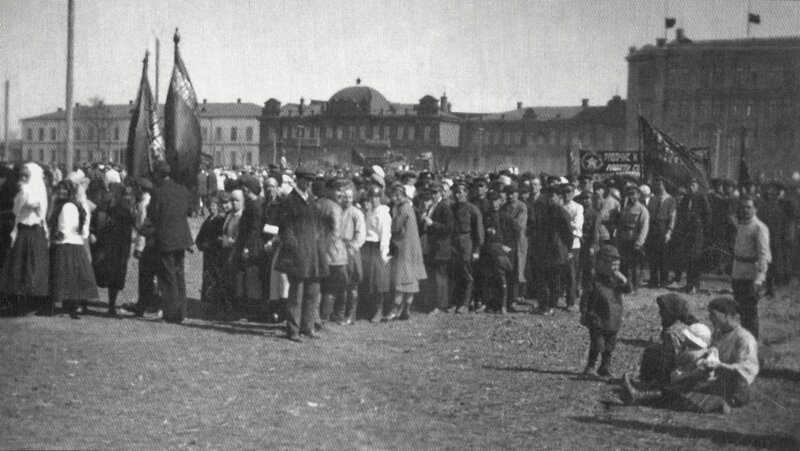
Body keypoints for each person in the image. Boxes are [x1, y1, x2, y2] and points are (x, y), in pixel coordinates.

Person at [624, 297, 759, 414]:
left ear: (726, 316)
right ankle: (644, 389)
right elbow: (713, 350)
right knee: (682, 380)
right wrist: (704, 354)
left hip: (733, 387)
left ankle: (641, 396)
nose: (710, 319)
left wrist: (720, 366)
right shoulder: (719, 333)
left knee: (687, 396)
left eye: (713, 315)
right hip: (715, 378)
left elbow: (747, 370)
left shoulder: (744, 339)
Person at [275, 168, 329, 341]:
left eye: (311, 180)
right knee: (296, 295)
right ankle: (293, 329)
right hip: (297, 254)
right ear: (297, 180)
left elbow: (319, 225)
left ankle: (308, 326)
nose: (309, 183)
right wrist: (295, 248)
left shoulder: (311, 200)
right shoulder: (289, 201)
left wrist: (319, 243)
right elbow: (286, 229)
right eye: (306, 180)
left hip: (313, 254)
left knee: (312, 292)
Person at [145, 160, 194, 323]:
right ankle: (182, 311)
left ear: (159, 175)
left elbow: (152, 216)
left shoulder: (158, 193)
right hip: (182, 238)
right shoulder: (182, 190)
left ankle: (171, 313)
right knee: (180, 273)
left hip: (165, 239)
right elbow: (189, 210)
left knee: (168, 276)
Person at [1, 162, 50, 316]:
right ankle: (17, 302)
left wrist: (26, 200)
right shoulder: (21, 190)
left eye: (26, 175)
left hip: (33, 232)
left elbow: (37, 207)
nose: (22, 178)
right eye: (21, 175)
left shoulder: (36, 189)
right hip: (22, 230)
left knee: (31, 267)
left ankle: (30, 302)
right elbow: (18, 209)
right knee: (18, 267)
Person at [580, 244, 632, 379]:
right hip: (597, 317)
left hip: (613, 318)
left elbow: (628, 290)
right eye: (612, 265)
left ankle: (605, 366)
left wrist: (624, 280)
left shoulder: (616, 279)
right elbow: (586, 297)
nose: (616, 268)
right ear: (601, 264)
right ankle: (590, 366)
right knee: (598, 343)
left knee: (609, 345)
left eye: (617, 265)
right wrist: (584, 312)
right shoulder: (594, 279)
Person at [49, 180, 99, 319]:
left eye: (65, 190)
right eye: (60, 189)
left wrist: (57, 235)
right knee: (71, 276)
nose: (62, 192)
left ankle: (75, 305)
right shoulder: (66, 204)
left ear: (70, 192)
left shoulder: (68, 206)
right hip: (71, 243)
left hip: (68, 243)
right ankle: (71, 305)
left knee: (69, 275)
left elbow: (66, 226)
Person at [90, 183, 135, 317]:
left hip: (116, 249)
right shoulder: (101, 207)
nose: (108, 193)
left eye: (111, 191)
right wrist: (92, 232)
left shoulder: (123, 210)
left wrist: (126, 251)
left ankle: (111, 306)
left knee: (114, 279)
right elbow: (93, 223)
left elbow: (127, 233)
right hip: (102, 247)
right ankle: (84, 302)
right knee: (95, 273)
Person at [384, 182, 427, 321]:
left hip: (405, 247)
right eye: (393, 195)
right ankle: (406, 309)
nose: (395, 198)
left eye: (397, 195)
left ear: (402, 195)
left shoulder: (402, 208)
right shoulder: (409, 207)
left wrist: (390, 218)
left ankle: (395, 310)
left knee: (401, 279)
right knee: (411, 279)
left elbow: (396, 227)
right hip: (413, 247)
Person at [636, 294, 699, 388]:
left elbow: (668, 360)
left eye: (663, 310)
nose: (659, 313)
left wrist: (662, 378)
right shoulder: (691, 325)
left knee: (651, 351)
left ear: (672, 311)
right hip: (692, 366)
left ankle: (647, 385)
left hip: (681, 369)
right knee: (654, 349)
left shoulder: (671, 332)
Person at [731, 195, 770, 339]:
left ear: (756, 209)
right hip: (738, 274)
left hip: (751, 276)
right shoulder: (741, 225)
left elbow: (763, 255)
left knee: (750, 314)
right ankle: (743, 342)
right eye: (743, 207)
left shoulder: (759, 228)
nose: (745, 210)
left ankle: (752, 346)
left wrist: (759, 279)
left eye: (749, 207)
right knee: (739, 311)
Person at [529, 186, 572, 315]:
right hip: (544, 250)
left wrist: (566, 249)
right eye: (548, 196)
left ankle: (551, 305)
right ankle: (543, 305)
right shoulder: (543, 211)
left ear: (559, 198)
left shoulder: (562, 212)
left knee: (554, 280)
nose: (549, 198)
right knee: (542, 279)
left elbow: (568, 234)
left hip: (557, 250)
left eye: (552, 196)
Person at [419, 182, 453, 313]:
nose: (433, 195)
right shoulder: (433, 206)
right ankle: (434, 303)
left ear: (441, 193)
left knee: (440, 277)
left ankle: (440, 305)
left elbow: (448, 228)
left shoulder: (444, 207)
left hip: (441, 246)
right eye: (431, 192)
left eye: (435, 192)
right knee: (433, 276)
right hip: (432, 245)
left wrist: (432, 223)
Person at [360, 184, 391, 322]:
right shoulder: (371, 212)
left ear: (380, 198)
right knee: (369, 280)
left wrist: (384, 253)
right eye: (371, 197)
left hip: (377, 247)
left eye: (376, 197)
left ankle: (379, 311)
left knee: (379, 281)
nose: (373, 200)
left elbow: (385, 235)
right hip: (367, 246)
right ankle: (369, 309)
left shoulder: (383, 213)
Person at [451, 181, 484, 312]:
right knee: (455, 273)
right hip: (454, 243)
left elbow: (479, 232)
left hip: (467, 243)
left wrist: (476, 250)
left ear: (467, 193)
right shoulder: (452, 208)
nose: (459, 195)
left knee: (467, 274)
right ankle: (455, 303)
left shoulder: (473, 209)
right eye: (457, 192)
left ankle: (465, 303)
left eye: (461, 192)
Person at [337, 183, 365, 324]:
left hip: (351, 250)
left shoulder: (356, 213)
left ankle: (351, 315)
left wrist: (353, 247)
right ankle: (340, 313)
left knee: (352, 283)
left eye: (349, 197)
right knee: (342, 283)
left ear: (353, 198)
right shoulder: (340, 210)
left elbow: (361, 234)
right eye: (344, 197)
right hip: (340, 249)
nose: (346, 199)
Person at [676, 179, 711, 294]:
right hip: (687, 232)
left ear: (697, 186)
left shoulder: (701, 198)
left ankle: (695, 285)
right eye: (689, 185)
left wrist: (701, 227)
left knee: (695, 258)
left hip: (697, 233)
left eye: (693, 185)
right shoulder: (686, 198)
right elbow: (681, 213)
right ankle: (688, 284)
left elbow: (708, 215)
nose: (690, 187)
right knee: (688, 258)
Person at [616, 185, 649, 292]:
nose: (631, 197)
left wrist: (639, 242)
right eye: (629, 194)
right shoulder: (625, 209)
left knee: (635, 266)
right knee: (625, 265)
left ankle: (635, 287)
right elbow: (620, 225)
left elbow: (644, 227)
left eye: (633, 194)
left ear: (638, 195)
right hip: (625, 240)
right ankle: (627, 286)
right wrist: (618, 240)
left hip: (635, 241)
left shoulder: (642, 209)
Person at [195, 192, 226, 305]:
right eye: (210, 206)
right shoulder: (206, 221)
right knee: (207, 276)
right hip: (207, 254)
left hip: (216, 253)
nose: (212, 208)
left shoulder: (220, 221)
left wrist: (212, 244)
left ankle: (216, 299)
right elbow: (199, 237)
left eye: (214, 206)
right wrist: (201, 245)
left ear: (218, 207)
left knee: (216, 276)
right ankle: (208, 298)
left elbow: (220, 237)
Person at [646, 177, 677, 287]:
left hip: (663, 227)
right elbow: (648, 214)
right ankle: (654, 279)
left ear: (664, 185)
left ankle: (664, 280)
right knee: (653, 256)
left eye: (660, 184)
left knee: (663, 256)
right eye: (656, 184)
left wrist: (669, 232)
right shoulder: (653, 199)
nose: (658, 186)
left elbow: (672, 217)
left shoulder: (670, 200)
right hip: (653, 228)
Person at [561, 183, 584, 310]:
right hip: (560, 243)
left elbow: (577, 224)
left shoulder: (578, 207)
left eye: (569, 191)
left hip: (573, 244)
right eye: (564, 191)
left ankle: (571, 301)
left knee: (571, 273)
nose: (567, 194)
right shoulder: (559, 206)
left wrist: (564, 224)